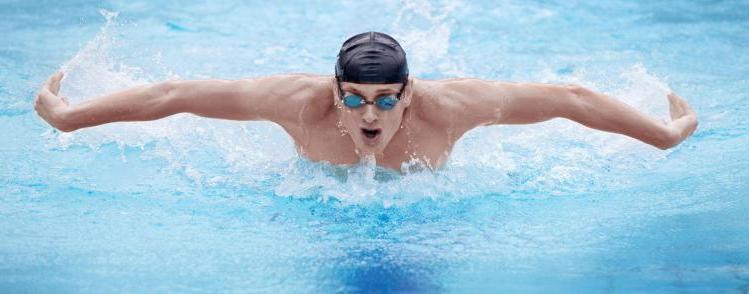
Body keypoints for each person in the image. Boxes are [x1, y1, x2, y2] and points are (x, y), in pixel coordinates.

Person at [35, 31, 698, 171]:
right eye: (355, 100)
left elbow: (569, 99)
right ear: (333, 92)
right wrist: (68, 117)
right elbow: (173, 95)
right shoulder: (296, 102)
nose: (371, 116)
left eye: (386, 100)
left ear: (409, 95)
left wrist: (663, 134)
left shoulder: (452, 107)